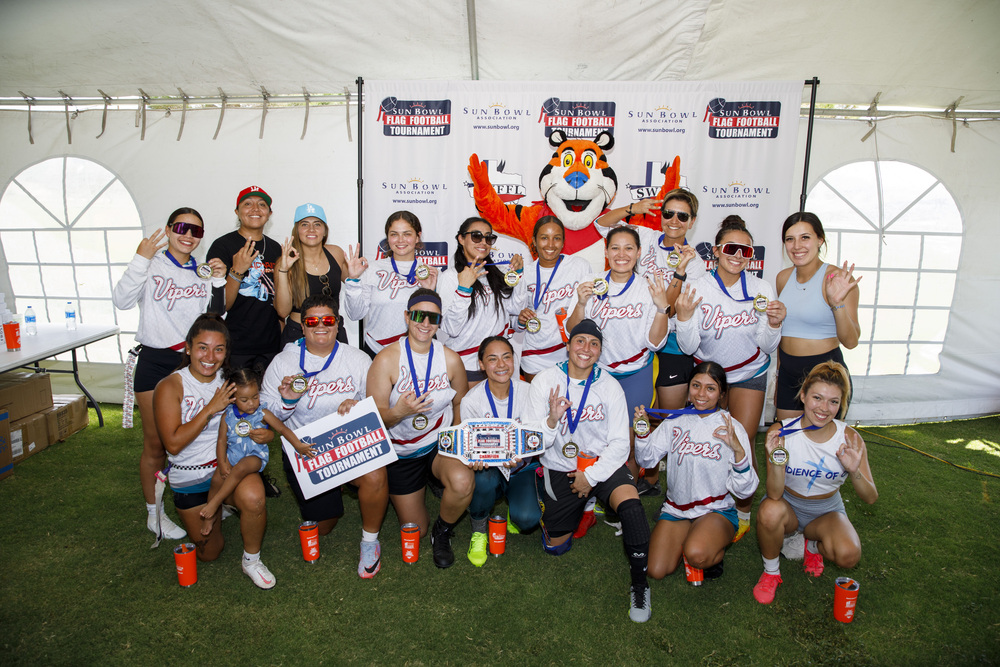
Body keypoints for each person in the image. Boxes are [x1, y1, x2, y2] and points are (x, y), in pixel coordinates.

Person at [112, 207, 227, 540]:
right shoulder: (151, 263)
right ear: (168, 229)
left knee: (207, 432)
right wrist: (139, 259)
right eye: (182, 227)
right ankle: (155, 514)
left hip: (195, 364)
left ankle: (209, 494)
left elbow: (216, 316)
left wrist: (218, 280)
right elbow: (121, 300)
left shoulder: (201, 271)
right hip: (157, 361)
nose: (188, 235)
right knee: (157, 444)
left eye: (196, 231)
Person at [526, 319, 652, 623]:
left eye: (594, 343)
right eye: (580, 341)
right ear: (568, 345)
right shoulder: (544, 381)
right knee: (556, 547)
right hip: (560, 466)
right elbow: (532, 439)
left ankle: (640, 585)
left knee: (632, 508)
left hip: (600, 465)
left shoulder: (609, 385)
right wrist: (553, 420)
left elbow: (621, 443)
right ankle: (583, 508)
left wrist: (591, 476)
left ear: (599, 351)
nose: (586, 348)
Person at [674, 215, 786, 541]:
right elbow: (688, 346)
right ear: (717, 251)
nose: (738, 255)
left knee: (743, 441)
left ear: (752, 255)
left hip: (750, 371)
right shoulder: (697, 286)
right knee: (707, 441)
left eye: (746, 250)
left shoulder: (762, 288)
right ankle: (708, 502)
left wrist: (775, 325)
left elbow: (767, 345)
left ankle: (743, 510)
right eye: (731, 248)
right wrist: (683, 318)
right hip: (711, 377)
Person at [261, 294, 388, 578]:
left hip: (348, 442)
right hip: (306, 450)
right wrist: (288, 401)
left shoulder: (356, 358)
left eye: (328, 320)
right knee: (326, 523)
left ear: (338, 323)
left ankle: (370, 543)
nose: (321, 326)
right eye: (312, 321)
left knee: (376, 475)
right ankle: (333, 493)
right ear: (302, 327)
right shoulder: (284, 362)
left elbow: (376, 405)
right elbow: (266, 415)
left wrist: (358, 407)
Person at [596, 189, 708, 495]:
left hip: (669, 340)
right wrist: (633, 208)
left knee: (662, 417)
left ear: (692, 221)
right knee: (629, 417)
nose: (673, 220)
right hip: (633, 334)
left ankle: (654, 477)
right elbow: (602, 225)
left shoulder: (695, 263)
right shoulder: (643, 235)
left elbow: (670, 308)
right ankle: (628, 478)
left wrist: (680, 273)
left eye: (682, 216)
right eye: (668, 213)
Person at [152, 314, 274, 589]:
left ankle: (251, 560)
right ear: (188, 348)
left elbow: (256, 417)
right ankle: (222, 506)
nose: (210, 356)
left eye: (219, 349)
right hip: (189, 475)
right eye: (202, 347)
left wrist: (266, 434)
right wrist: (210, 408)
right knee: (210, 553)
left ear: (226, 353)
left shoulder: (231, 382)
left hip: (228, 466)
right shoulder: (170, 386)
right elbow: (172, 444)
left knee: (254, 498)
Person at [752, 361, 877, 604]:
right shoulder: (781, 432)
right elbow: (775, 494)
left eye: (833, 401)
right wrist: (777, 463)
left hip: (827, 511)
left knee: (849, 555)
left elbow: (871, 497)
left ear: (841, 405)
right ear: (803, 395)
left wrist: (854, 471)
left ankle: (811, 547)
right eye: (817, 398)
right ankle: (771, 572)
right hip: (788, 507)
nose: (824, 408)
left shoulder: (849, 437)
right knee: (769, 511)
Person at [366, 288, 472, 568]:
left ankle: (444, 530)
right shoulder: (387, 359)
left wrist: (458, 443)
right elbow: (374, 419)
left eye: (433, 318)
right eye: (418, 315)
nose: (425, 324)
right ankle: (417, 490)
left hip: (439, 444)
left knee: (462, 483)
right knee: (416, 529)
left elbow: (460, 402)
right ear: (406, 317)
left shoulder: (450, 358)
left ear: (439, 322)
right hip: (402, 451)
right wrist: (399, 412)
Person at [634, 362, 758, 582]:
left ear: (721, 393)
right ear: (688, 389)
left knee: (697, 555)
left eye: (710, 388)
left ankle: (706, 548)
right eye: (696, 385)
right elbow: (646, 459)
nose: (701, 394)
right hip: (676, 509)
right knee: (656, 570)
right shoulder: (676, 419)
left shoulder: (732, 427)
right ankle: (690, 538)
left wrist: (739, 452)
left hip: (715, 510)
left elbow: (745, 490)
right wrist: (642, 433)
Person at [565, 226, 671, 477]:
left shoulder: (650, 286)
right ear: (606, 251)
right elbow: (572, 331)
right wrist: (581, 303)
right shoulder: (590, 283)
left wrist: (661, 308)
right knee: (594, 436)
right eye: (615, 247)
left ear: (639, 252)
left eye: (628, 248)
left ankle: (624, 503)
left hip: (635, 373)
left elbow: (656, 344)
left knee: (631, 441)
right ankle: (594, 495)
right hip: (597, 373)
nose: (621, 254)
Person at [199, 367, 309, 536]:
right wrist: (221, 463)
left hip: (255, 456)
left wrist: (298, 445)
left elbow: (282, 429)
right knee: (216, 480)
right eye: (244, 399)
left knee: (242, 467)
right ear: (233, 398)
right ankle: (210, 516)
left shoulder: (262, 412)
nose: (251, 403)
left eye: (255, 397)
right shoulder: (227, 416)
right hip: (233, 455)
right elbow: (221, 441)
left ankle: (215, 503)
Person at [459, 336, 538, 567]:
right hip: (490, 469)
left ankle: (515, 509)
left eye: (506, 357)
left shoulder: (529, 391)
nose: (501, 365)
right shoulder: (471, 401)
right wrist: (474, 460)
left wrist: (524, 453)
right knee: (482, 480)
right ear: (481, 364)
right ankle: (479, 532)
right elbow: (471, 447)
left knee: (528, 520)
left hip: (522, 467)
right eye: (492, 359)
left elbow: (535, 436)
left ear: (514, 360)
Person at [775, 212, 861, 421]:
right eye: (790, 239)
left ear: (820, 240)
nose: (797, 246)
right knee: (787, 442)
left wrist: (836, 303)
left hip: (826, 374)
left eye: (805, 237)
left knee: (824, 447)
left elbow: (851, 341)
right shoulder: (782, 278)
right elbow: (781, 330)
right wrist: (779, 375)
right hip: (788, 373)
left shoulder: (839, 279)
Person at [341, 210, 439, 355]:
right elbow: (355, 315)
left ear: (417, 237)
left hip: (418, 350)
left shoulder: (431, 273)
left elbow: (436, 321)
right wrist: (353, 280)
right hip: (377, 349)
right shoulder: (372, 269)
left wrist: (430, 293)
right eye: (394, 234)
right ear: (388, 238)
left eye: (407, 234)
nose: (400, 240)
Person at [437, 217, 521, 383]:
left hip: (498, 365)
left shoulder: (499, 273)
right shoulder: (450, 278)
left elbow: (515, 311)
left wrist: (519, 275)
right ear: (461, 239)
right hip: (466, 366)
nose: (483, 242)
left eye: (488, 237)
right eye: (476, 236)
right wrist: (464, 289)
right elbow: (450, 328)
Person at [207, 186, 282, 372]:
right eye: (248, 204)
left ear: (269, 213)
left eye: (262, 205)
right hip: (235, 345)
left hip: (270, 346)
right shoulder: (222, 246)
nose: (255, 209)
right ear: (237, 212)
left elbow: (279, 298)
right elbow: (220, 305)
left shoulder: (274, 248)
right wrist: (237, 271)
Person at [513, 216, 591, 380]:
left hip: (571, 352)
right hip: (534, 355)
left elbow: (590, 310)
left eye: (556, 238)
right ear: (534, 240)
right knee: (539, 405)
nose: (550, 244)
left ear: (563, 242)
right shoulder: (525, 273)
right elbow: (515, 324)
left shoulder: (579, 266)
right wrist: (520, 320)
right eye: (544, 238)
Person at [274, 203, 350, 347]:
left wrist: (356, 275)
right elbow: (282, 312)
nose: (311, 229)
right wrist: (283, 271)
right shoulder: (286, 261)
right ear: (296, 230)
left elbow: (354, 285)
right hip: (299, 334)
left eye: (317, 224)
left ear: (325, 230)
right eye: (304, 224)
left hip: (333, 331)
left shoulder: (336, 253)